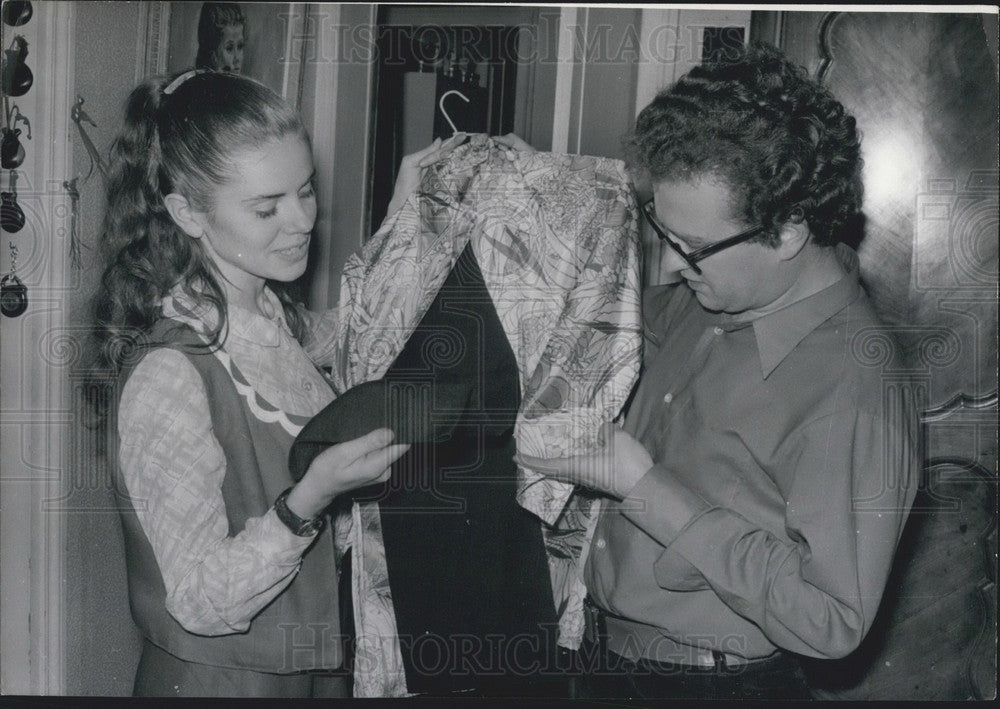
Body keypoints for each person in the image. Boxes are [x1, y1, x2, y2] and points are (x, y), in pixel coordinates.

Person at [515, 42, 919, 700]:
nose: (671, 268)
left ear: (788, 229)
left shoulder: (856, 388)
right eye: (664, 234)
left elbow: (833, 621)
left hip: (716, 687)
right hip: (600, 659)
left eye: (695, 248)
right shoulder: (703, 295)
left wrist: (643, 484)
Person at [92, 69, 462, 697]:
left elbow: (361, 333)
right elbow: (198, 600)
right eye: (266, 207)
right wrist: (308, 499)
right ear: (187, 212)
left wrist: (403, 218)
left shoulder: (269, 316)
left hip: (310, 673)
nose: (300, 222)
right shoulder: (170, 374)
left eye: (306, 191)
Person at [196, 3, 245, 73]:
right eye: (229, 48)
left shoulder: (240, 83)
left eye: (240, 46)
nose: (237, 59)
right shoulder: (195, 83)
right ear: (213, 55)